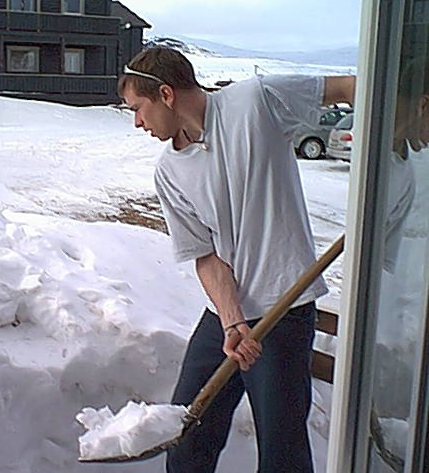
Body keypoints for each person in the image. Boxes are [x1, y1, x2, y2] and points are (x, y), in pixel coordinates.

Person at [118, 46, 355, 473]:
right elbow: (205, 256)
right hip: (223, 318)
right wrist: (231, 320)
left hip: (285, 313)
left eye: (138, 108)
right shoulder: (169, 172)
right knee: (187, 436)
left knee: (282, 453)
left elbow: (345, 87)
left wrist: (405, 116)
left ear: (166, 95)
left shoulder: (254, 102)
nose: (137, 122)